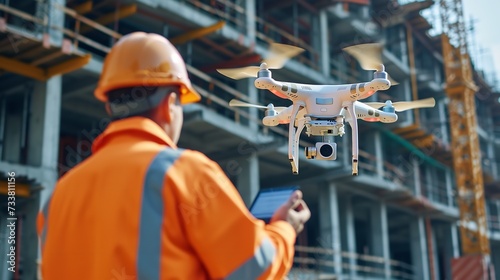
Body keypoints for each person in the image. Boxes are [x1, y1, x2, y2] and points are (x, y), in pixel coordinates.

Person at [37, 32, 311, 280]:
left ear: (110, 106)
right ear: (170, 105)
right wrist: (284, 228)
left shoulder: (59, 195)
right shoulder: (184, 172)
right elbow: (253, 269)